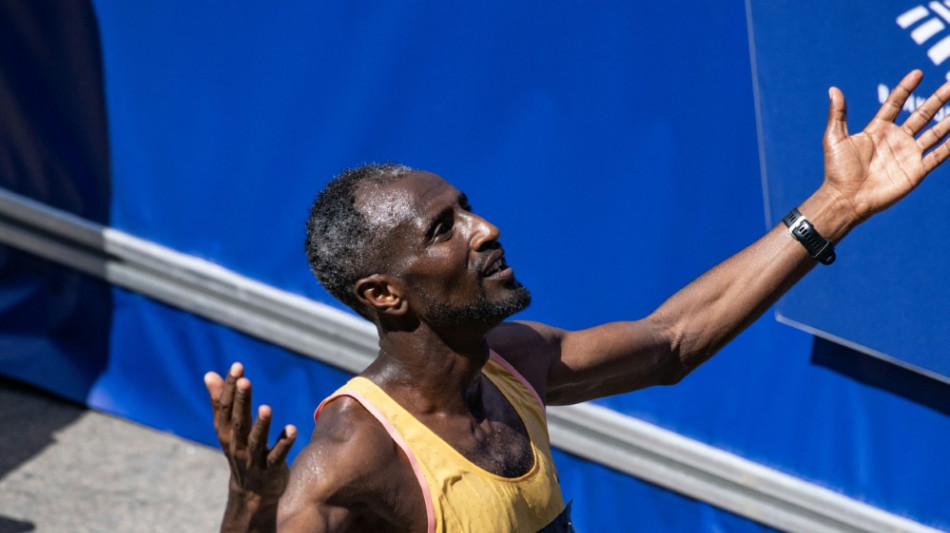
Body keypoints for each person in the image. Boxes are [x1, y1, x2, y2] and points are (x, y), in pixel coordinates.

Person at [204, 70, 949, 532]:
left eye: (468, 207)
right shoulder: (352, 457)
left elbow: (672, 339)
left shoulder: (513, 365)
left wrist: (836, 204)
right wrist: (248, 501)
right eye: (445, 229)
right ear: (384, 294)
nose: (485, 229)